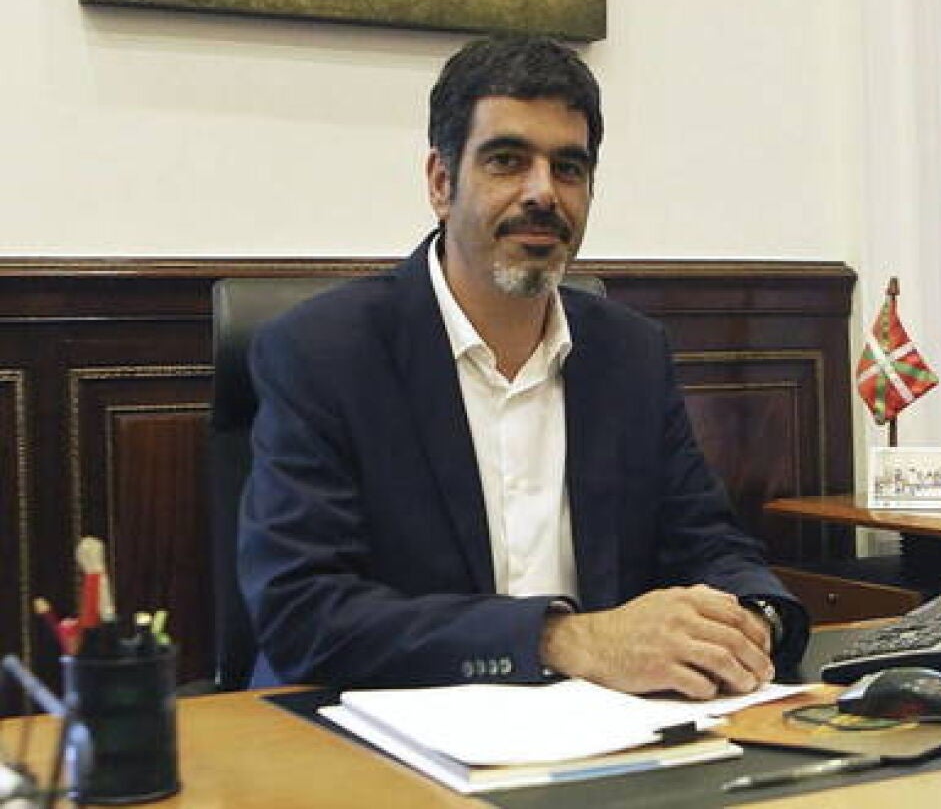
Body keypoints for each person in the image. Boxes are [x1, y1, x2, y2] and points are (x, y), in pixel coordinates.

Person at [237, 35, 807, 697]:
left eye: (568, 168)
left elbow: (707, 544)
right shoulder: (323, 352)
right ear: (441, 183)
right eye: (507, 161)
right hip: (381, 727)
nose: (543, 193)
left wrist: (751, 619)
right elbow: (304, 612)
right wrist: (561, 640)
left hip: (602, 727)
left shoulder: (628, 354)